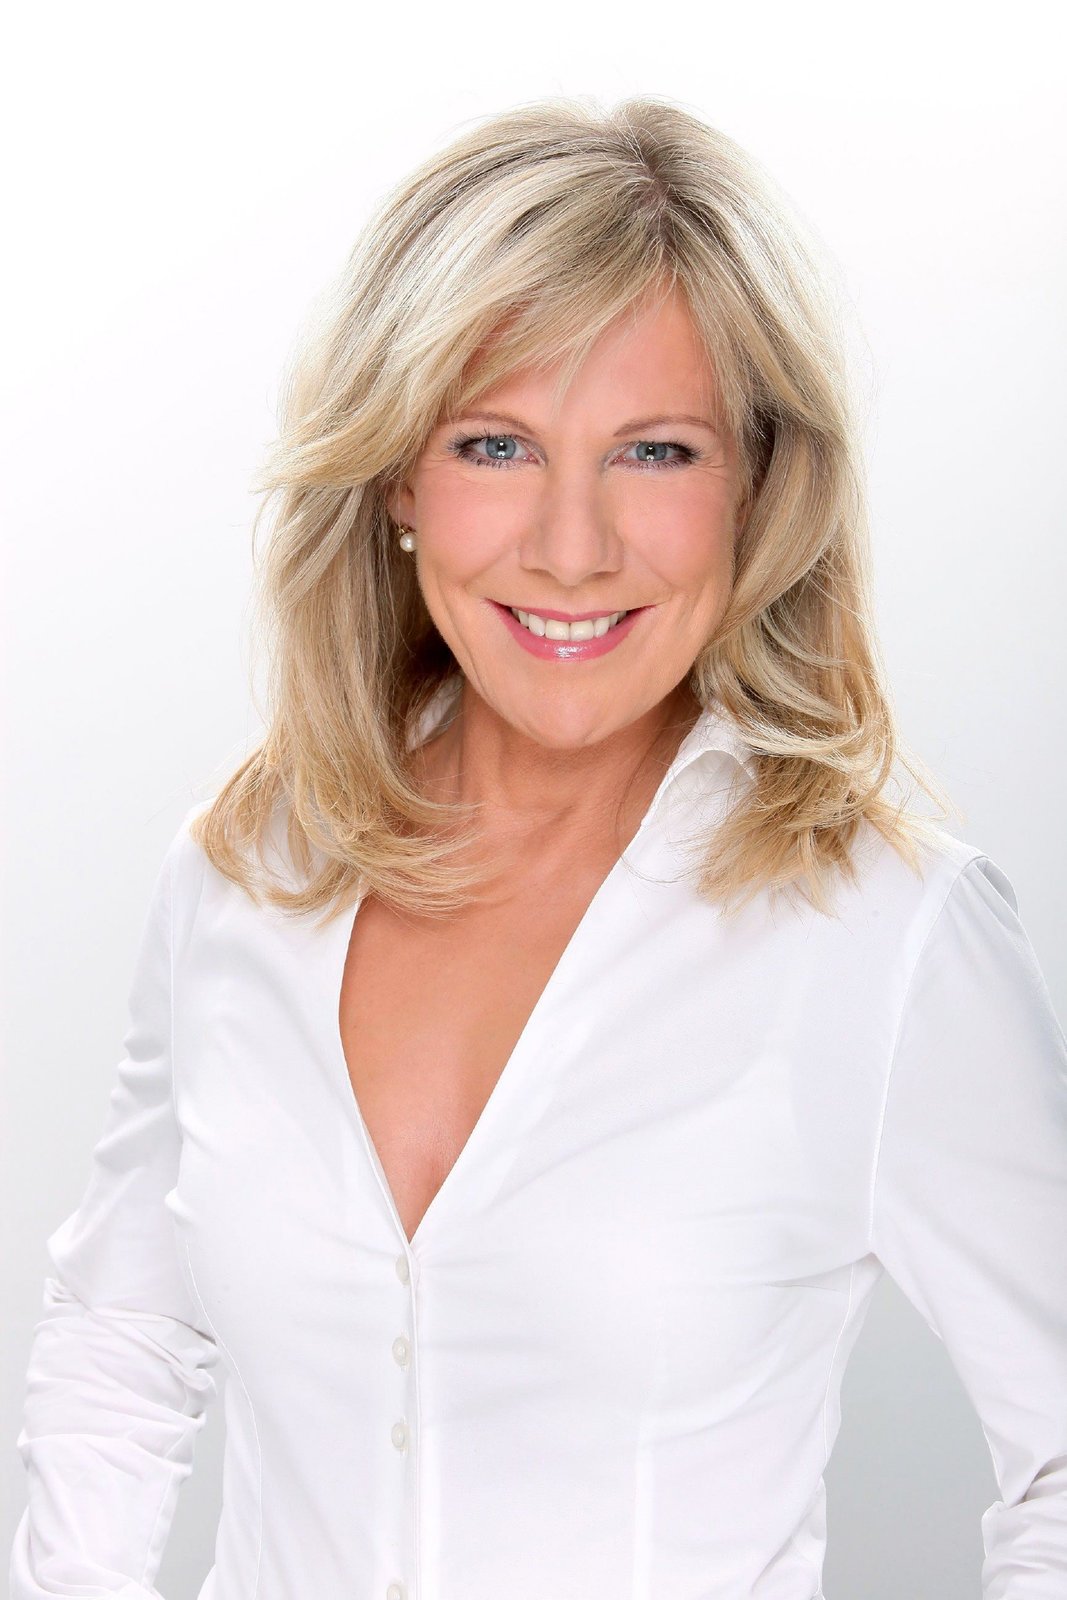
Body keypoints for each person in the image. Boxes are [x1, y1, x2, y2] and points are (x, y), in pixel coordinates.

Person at [10, 93, 1067, 1600]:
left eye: (656, 451)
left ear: (757, 486)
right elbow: (120, 1341)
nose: (572, 549)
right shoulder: (249, 868)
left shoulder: (888, 930)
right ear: (398, 474)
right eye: (496, 444)